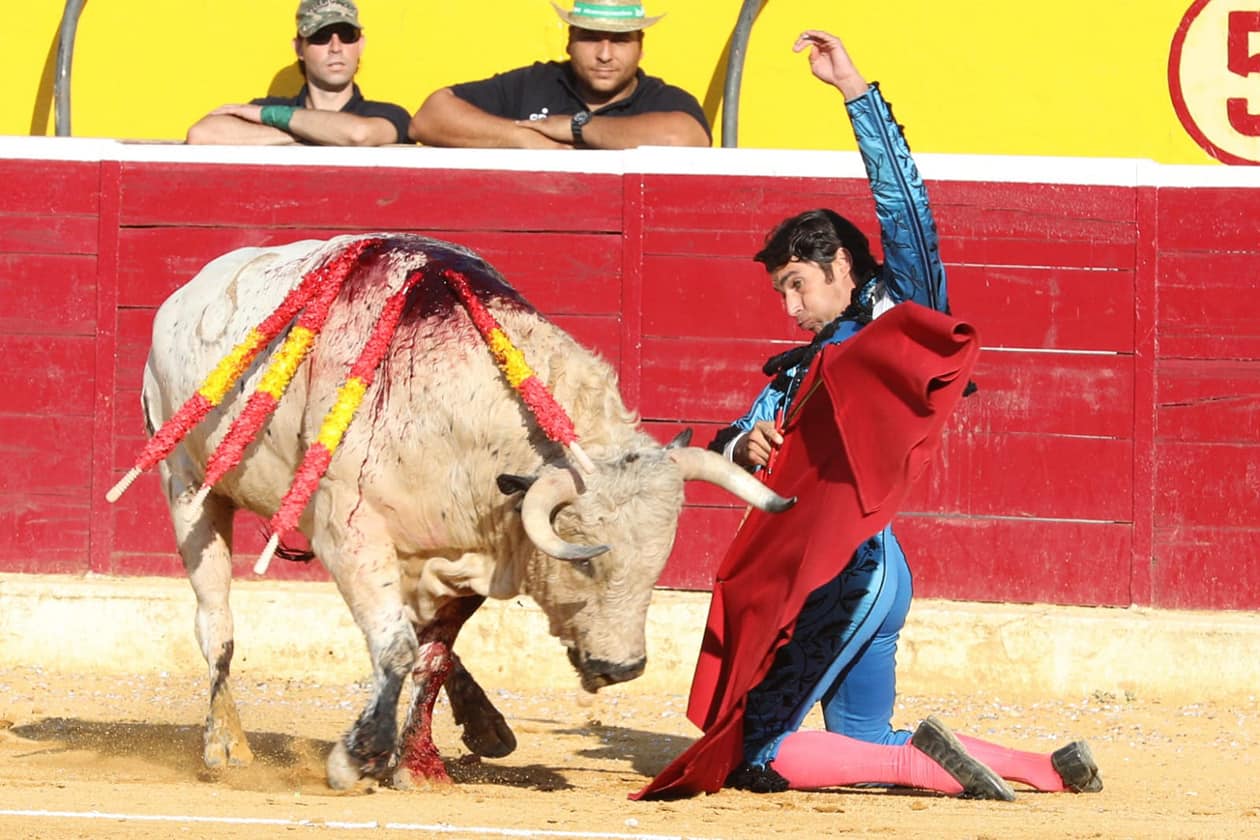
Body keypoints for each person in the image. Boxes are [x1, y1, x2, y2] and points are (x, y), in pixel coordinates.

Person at [637, 29, 1102, 800]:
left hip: (846, 570)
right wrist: (742, 443)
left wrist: (855, 92)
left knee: (757, 752)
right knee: (860, 740)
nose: (790, 308)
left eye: (797, 285)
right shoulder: (799, 371)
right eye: (780, 292)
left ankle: (927, 768)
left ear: (841, 266)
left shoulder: (899, 311)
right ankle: (1048, 769)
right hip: (873, 568)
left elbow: (904, 202)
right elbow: (732, 437)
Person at [409, 1, 710, 149]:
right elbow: (428, 118)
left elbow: (684, 138)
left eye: (619, 40)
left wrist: (575, 127)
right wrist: (521, 138)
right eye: (591, 37)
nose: (605, 55)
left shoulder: (663, 99)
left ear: (640, 47)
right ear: (569, 41)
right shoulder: (535, 82)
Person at [186, 0, 412, 146]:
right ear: (299, 48)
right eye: (320, 37)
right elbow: (203, 135)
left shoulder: (388, 113)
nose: (335, 47)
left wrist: (276, 121)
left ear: (360, 44)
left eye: (346, 35)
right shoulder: (265, 108)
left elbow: (359, 135)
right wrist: (315, 133)